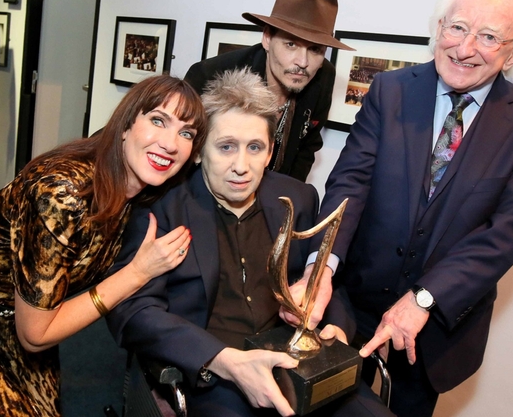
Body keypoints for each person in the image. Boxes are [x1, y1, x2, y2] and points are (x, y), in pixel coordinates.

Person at [297, 0, 513, 417]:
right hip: (350, 309)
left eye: (489, 37)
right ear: (439, 28)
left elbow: (508, 231)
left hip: (435, 330)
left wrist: (424, 298)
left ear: (512, 55)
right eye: (457, 27)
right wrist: (320, 267)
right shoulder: (390, 90)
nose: (465, 48)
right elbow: (350, 183)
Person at [0, 75, 207, 416]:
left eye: (186, 133)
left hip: (17, 307)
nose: (171, 143)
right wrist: (137, 273)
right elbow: (37, 336)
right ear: (126, 125)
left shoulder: (142, 187)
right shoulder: (62, 195)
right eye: (158, 120)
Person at [106, 69, 392, 417]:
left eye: (254, 148)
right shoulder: (161, 207)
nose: (241, 166)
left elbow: (323, 281)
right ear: (198, 153)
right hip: (217, 374)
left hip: (297, 363)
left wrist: (336, 327)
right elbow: (134, 311)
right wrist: (223, 360)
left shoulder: (297, 198)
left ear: (270, 152)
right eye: (226, 147)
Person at [184, 0, 353, 182]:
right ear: (267, 38)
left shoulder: (324, 76)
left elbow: (307, 148)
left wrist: (286, 199)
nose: (303, 62)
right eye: (291, 44)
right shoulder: (209, 75)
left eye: (315, 49)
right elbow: (185, 151)